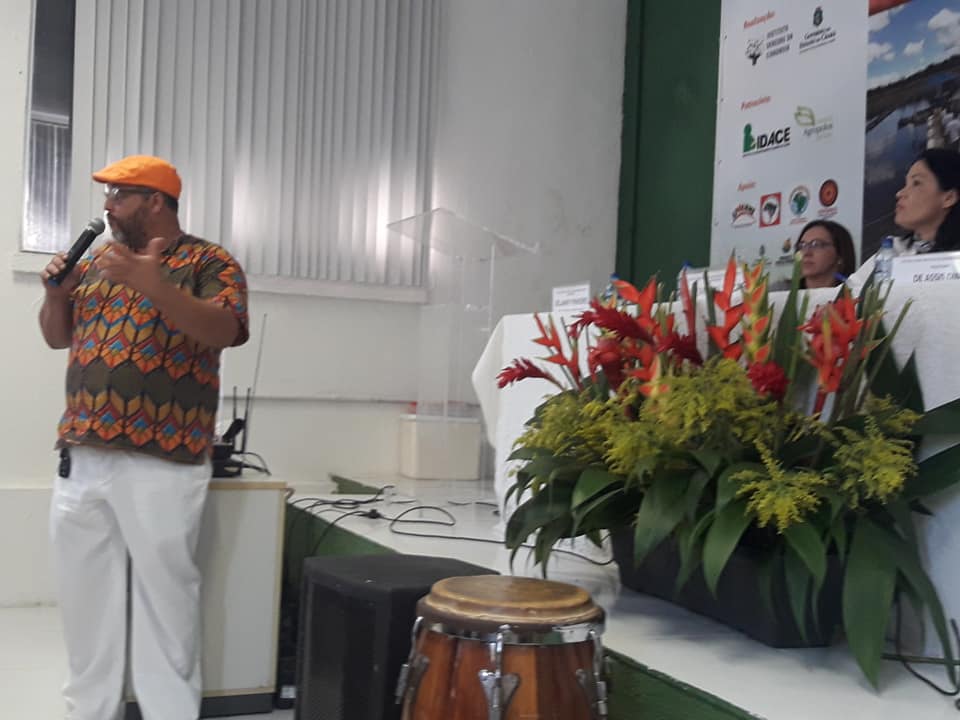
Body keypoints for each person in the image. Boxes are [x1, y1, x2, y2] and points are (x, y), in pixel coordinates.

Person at [38, 155, 249, 720]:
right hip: (82, 454)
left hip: (163, 459)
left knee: (165, 601)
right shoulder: (97, 265)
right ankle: (90, 711)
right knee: (85, 603)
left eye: (119, 195)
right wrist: (56, 296)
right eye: (108, 196)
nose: (108, 207)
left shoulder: (209, 261)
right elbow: (58, 339)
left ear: (156, 201)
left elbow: (225, 329)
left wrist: (155, 287)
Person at [893, 148, 960, 253]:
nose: (900, 193)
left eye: (916, 183)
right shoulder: (892, 251)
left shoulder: (955, 258)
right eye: (906, 184)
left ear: (949, 198)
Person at [794, 219, 857, 289]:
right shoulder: (786, 294)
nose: (806, 253)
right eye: (802, 245)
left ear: (840, 255)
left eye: (816, 244)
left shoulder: (855, 292)